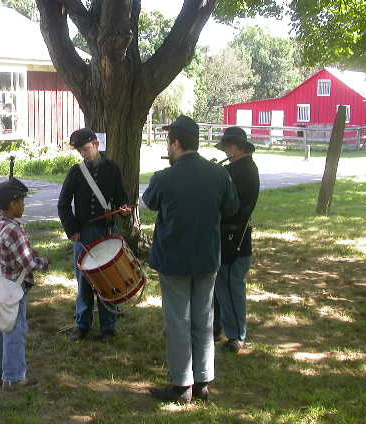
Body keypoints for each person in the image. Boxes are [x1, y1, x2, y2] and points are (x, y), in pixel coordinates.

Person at [142, 115, 239, 403]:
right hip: (207, 257)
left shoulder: (164, 177)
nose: (168, 147)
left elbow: (149, 202)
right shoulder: (219, 175)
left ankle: (182, 385)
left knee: (178, 321)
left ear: (176, 143)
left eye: (168, 142)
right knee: (203, 318)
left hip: (174, 260)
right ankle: (202, 382)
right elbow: (232, 208)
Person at [57, 128, 131, 341]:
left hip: (107, 231)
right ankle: (82, 324)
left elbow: (120, 197)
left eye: (87, 149)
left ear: (96, 144)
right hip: (84, 232)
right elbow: (63, 204)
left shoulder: (112, 168)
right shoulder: (76, 171)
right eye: (81, 151)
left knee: (109, 280)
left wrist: (123, 207)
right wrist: (72, 231)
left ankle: (108, 327)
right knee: (84, 281)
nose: (85, 154)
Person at [0, 178, 50, 390]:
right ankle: (14, 377)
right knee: (15, 330)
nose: (24, 205)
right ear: (13, 204)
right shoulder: (15, 230)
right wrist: (44, 262)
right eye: (22, 201)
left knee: (0, 326)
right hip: (15, 287)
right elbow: (29, 263)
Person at [213, 127, 260, 353]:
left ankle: (236, 335)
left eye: (227, 147)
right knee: (221, 285)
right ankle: (219, 327)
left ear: (235, 147)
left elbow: (234, 208)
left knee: (231, 286)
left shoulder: (245, 170)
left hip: (235, 237)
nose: (225, 151)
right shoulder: (234, 168)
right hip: (226, 236)